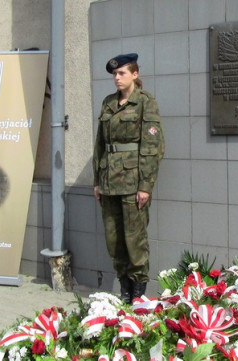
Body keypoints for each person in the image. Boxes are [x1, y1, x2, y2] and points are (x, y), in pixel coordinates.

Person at [93, 53, 165, 304]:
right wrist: (97, 182)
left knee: (135, 239)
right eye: (114, 74)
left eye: (122, 73)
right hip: (109, 182)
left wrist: (145, 186)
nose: (117, 78)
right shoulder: (108, 103)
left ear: (135, 74)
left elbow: (152, 147)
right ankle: (124, 288)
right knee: (114, 239)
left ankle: (138, 292)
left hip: (133, 182)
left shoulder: (145, 102)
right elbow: (100, 146)